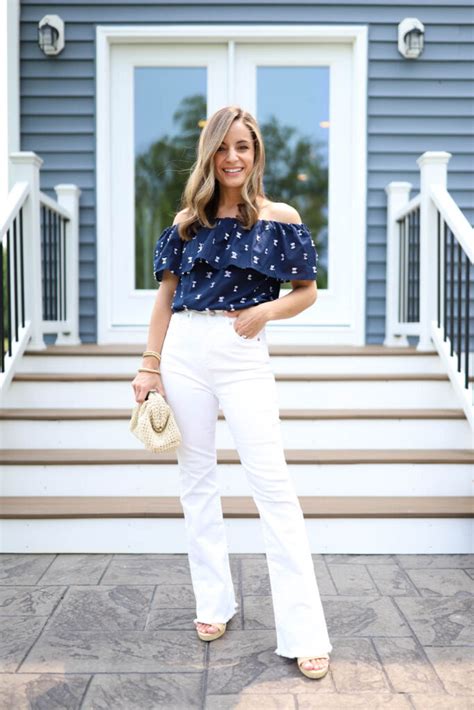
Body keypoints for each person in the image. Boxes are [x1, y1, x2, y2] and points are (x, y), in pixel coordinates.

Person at [131, 105, 332, 680]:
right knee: (196, 479)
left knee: (272, 485)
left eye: (242, 146)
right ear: (209, 155)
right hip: (186, 350)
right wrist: (150, 365)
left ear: (256, 153)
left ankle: (305, 633)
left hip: (243, 351)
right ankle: (212, 604)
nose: (233, 157)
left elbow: (306, 291)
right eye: (222, 148)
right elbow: (166, 298)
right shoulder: (185, 222)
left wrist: (265, 311)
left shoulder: (280, 217)